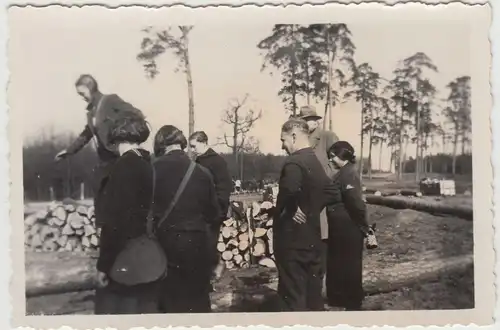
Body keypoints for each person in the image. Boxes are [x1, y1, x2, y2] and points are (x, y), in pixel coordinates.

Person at [55, 74, 146, 227]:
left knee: (123, 199)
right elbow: (86, 134)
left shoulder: (110, 100)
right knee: (102, 196)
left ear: (91, 88)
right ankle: (105, 234)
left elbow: (135, 114)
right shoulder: (91, 112)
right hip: (105, 161)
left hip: (119, 157)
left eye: (82, 93)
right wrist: (68, 151)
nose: (82, 97)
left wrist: (121, 135)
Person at [273, 118, 341, 312]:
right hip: (313, 240)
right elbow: (333, 192)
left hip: (292, 242)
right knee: (313, 297)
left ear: (294, 136)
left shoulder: (294, 162)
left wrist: (295, 209)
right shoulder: (314, 159)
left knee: (292, 297)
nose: (282, 146)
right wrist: (309, 208)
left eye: (283, 140)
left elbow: (289, 192)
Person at [93, 116, 158, 314]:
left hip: (124, 256)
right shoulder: (147, 164)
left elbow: (115, 221)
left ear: (118, 139)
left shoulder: (122, 167)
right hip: (146, 252)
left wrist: (103, 264)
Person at [153, 125, 221, 313]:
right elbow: (214, 214)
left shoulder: (151, 170)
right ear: (182, 144)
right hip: (197, 244)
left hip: (164, 246)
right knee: (197, 301)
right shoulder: (202, 172)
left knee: (168, 303)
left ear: (161, 144)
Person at [325, 141, 373, 311]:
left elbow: (356, 204)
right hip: (341, 228)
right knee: (341, 263)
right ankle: (341, 299)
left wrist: (365, 227)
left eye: (333, 156)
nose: (330, 159)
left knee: (351, 265)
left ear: (342, 156)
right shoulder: (343, 173)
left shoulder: (348, 175)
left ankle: (353, 301)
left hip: (349, 227)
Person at [297, 105, 339, 291]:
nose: (308, 123)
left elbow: (342, 160)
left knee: (325, 243)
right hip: (306, 199)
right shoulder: (300, 140)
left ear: (317, 120)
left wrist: (322, 178)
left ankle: (325, 288)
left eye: (311, 119)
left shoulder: (328, 137)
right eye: (304, 120)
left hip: (326, 198)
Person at [189, 131, 232, 281]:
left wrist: (219, 212)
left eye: (194, 146)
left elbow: (224, 188)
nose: (192, 150)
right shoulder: (198, 162)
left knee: (208, 245)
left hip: (212, 213)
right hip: (200, 212)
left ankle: (213, 272)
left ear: (204, 143)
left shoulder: (217, 162)